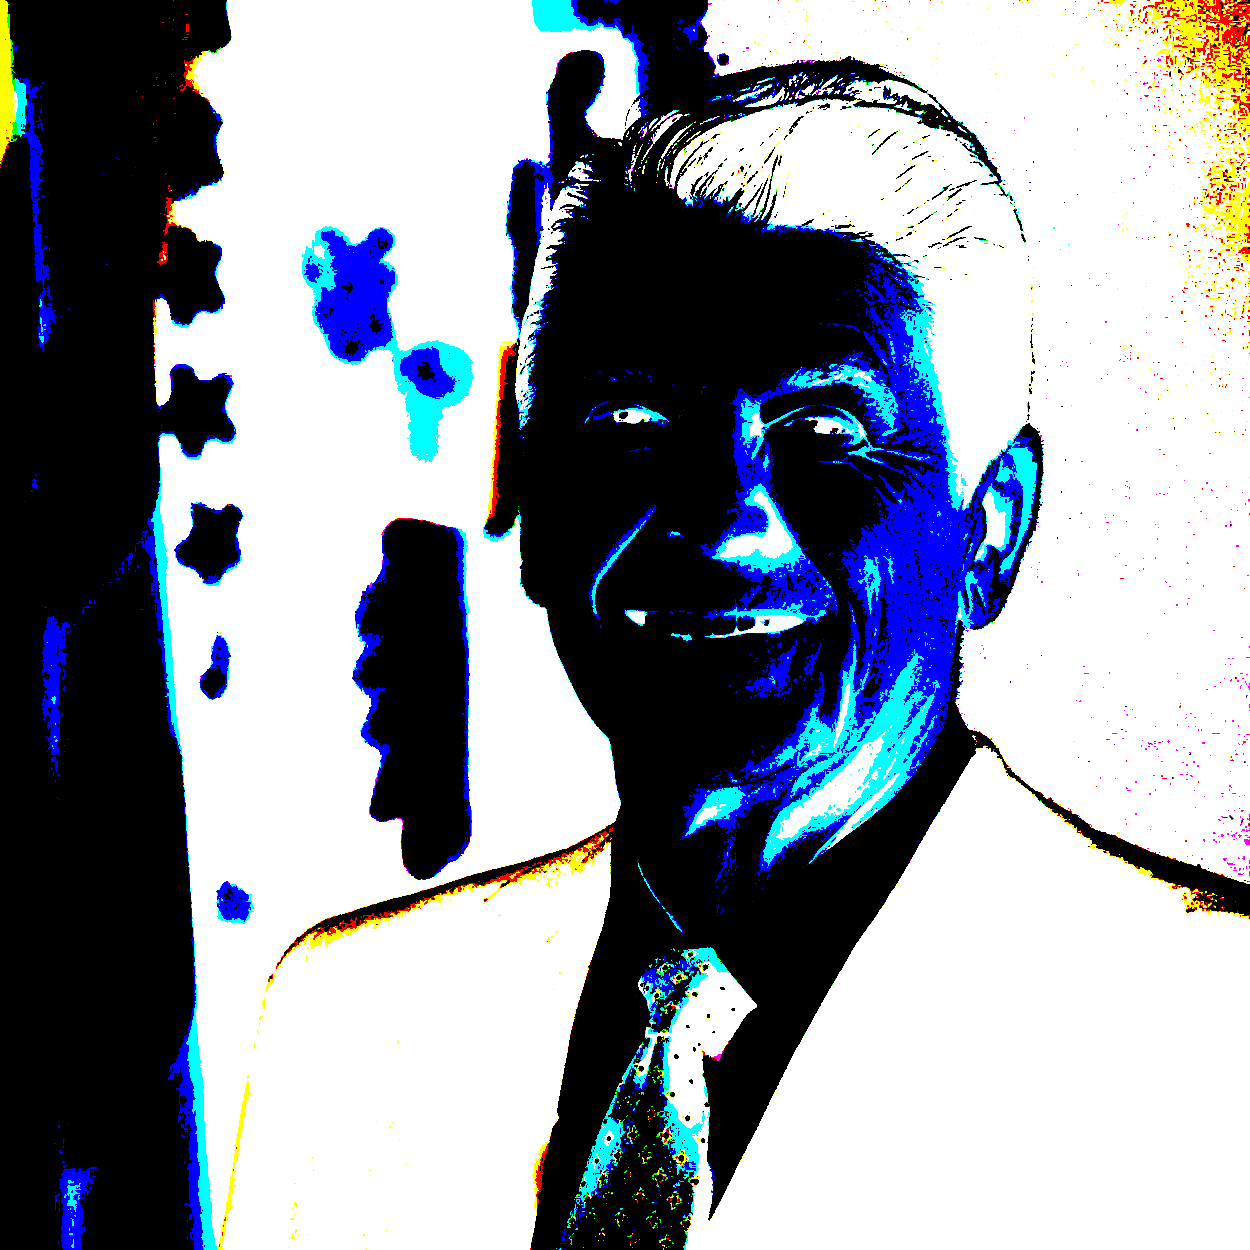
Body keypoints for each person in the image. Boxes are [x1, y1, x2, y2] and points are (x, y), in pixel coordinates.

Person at [219, 61, 1248, 1249]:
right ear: (538, 513)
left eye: (818, 429)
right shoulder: (346, 1024)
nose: (714, 518)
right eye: (628, 426)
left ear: (987, 526)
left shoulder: (1205, 1040)